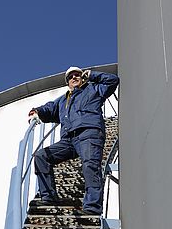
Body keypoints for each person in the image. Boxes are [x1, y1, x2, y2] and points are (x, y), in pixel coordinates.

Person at [28, 66, 119, 215]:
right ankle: (48, 196)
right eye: (71, 77)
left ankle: (92, 207)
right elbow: (49, 108)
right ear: (67, 82)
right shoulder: (63, 100)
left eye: (77, 75)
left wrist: (92, 75)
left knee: (90, 165)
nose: (74, 78)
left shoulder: (94, 90)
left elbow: (113, 81)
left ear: (82, 77)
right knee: (41, 156)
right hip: (68, 139)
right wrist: (37, 111)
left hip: (89, 133)